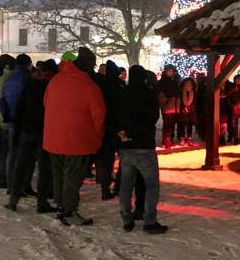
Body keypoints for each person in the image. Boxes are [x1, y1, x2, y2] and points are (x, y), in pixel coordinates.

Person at [43, 47, 106, 226]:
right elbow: (99, 115)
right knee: (72, 177)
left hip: (53, 138)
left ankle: (61, 207)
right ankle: (69, 211)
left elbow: (46, 104)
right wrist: (97, 136)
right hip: (76, 140)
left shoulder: (56, 80)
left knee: (58, 175)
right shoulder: (88, 85)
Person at [117, 65, 168, 234]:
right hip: (144, 145)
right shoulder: (148, 94)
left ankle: (126, 217)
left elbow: (116, 116)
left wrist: (125, 133)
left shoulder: (123, 93)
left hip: (126, 145)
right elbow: (152, 118)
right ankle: (149, 220)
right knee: (151, 185)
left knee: (126, 184)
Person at [5, 59, 58, 213]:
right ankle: (42, 203)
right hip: (44, 133)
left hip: (26, 131)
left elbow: (19, 110)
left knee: (21, 167)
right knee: (44, 169)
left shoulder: (30, 85)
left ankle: (13, 200)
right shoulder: (52, 88)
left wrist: (17, 133)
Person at [0, 53, 34, 197]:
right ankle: (22, 186)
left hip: (12, 121)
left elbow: (2, 100)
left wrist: (6, 115)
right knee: (26, 157)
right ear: (28, 64)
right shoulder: (27, 79)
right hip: (24, 122)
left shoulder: (9, 79)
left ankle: (11, 185)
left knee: (12, 155)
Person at [96, 60, 125, 200]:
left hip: (104, 125)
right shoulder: (120, 86)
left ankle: (104, 188)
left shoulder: (101, 85)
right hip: (118, 126)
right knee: (123, 158)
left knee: (106, 160)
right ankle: (118, 186)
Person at [0, 54, 16, 188]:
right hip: (4, 119)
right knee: (5, 149)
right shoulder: (7, 80)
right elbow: (3, 102)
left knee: (0, 146)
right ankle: (3, 175)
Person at [157, 64, 180, 149]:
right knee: (167, 124)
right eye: (169, 71)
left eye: (172, 71)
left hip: (174, 106)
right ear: (165, 72)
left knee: (172, 124)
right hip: (167, 106)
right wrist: (165, 100)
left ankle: (169, 139)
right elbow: (160, 94)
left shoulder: (174, 82)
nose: (170, 72)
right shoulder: (162, 82)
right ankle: (166, 140)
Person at [176, 77, 197, 146]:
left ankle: (189, 139)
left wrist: (190, 108)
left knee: (189, 126)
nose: (188, 85)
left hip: (191, 112)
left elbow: (195, 102)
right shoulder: (181, 92)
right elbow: (179, 102)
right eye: (187, 84)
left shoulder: (193, 93)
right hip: (182, 111)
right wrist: (183, 108)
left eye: (189, 84)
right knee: (182, 125)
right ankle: (182, 139)